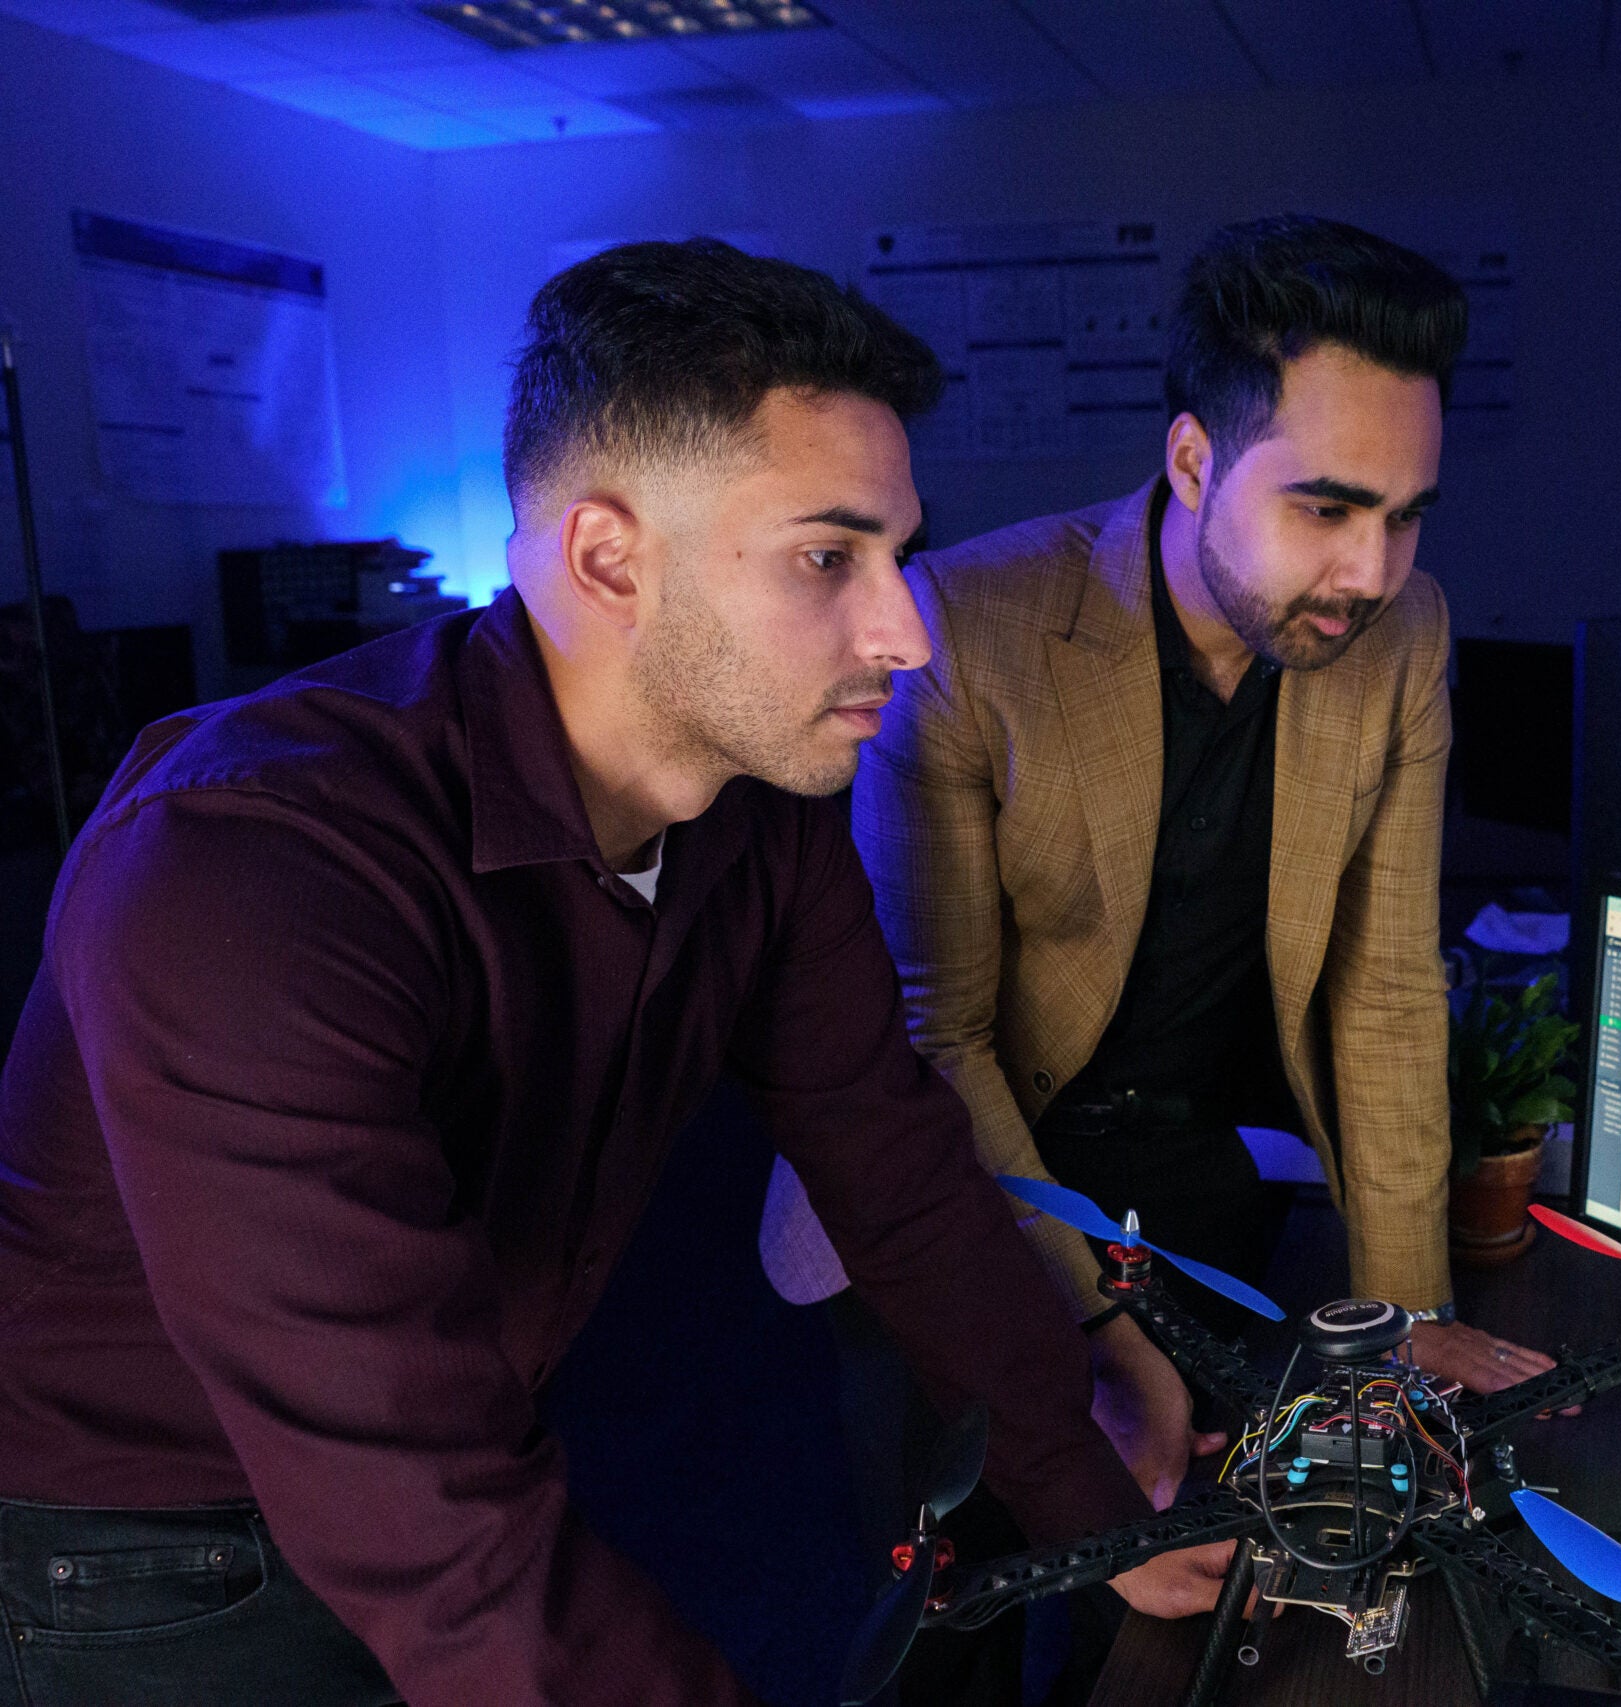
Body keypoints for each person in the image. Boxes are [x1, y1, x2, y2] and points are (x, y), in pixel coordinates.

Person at [0, 239, 1227, 1707]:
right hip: (146, 1556)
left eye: (900, 555)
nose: (907, 632)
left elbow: (896, 1170)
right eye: (831, 558)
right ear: (607, 558)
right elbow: (428, 1511)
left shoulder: (757, 813)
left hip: (455, 1466)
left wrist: (1091, 1511)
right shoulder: (245, 871)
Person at [762, 215, 1561, 1515]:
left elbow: (1389, 988)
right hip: (949, 1181)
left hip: (1184, 1166)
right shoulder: (967, 628)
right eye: (1325, 506)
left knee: (1189, 1588)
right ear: (1194, 459)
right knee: (958, 1611)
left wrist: (1408, 1310)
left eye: (1406, 516)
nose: (1371, 569)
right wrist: (1098, 1328)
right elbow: (935, 1034)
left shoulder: (1404, 633)